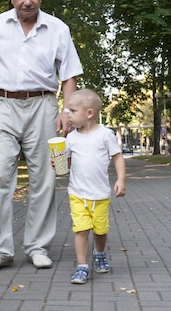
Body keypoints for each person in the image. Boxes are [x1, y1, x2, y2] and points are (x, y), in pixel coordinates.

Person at [0, 0, 83, 271]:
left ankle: (38, 246)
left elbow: (69, 75)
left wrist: (67, 111)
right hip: (2, 105)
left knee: (44, 177)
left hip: (43, 105)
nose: (27, 1)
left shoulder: (58, 29)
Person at [64, 88, 126, 284]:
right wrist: (57, 162)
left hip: (100, 194)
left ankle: (99, 253)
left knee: (100, 230)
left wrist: (121, 180)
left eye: (72, 111)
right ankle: (82, 266)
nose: (69, 115)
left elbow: (117, 157)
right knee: (81, 230)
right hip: (77, 193)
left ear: (89, 113)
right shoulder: (71, 137)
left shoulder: (105, 135)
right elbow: (65, 164)